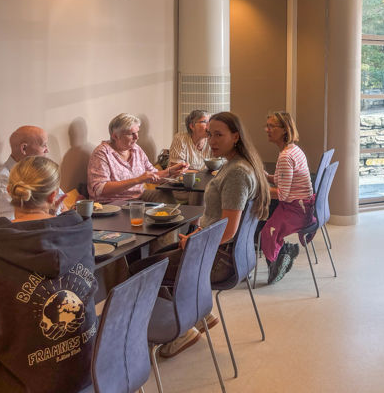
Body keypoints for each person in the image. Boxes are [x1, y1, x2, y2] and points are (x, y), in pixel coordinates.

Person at [0, 156, 96, 393]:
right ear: (53, 196)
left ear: (9, 191)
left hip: (18, 383)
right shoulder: (80, 233)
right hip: (85, 371)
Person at [129, 111, 270, 358]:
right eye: (209, 134)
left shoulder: (237, 173)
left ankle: (182, 331)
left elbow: (227, 230)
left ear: (235, 136)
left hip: (218, 259)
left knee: (140, 271)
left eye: (219, 135)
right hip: (225, 254)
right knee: (156, 257)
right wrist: (196, 237)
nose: (212, 141)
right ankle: (198, 312)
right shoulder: (238, 166)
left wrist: (194, 240)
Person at [260, 112, 315, 285]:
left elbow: (282, 194)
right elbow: (284, 180)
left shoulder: (285, 156)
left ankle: (279, 262)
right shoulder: (293, 150)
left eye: (271, 126)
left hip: (296, 210)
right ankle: (285, 250)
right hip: (304, 205)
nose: (267, 129)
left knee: (265, 231)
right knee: (265, 218)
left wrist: (259, 189)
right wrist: (267, 176)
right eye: (266, 125)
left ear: (284, 130)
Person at [87, 113, 186, 204]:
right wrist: (138, 180)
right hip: (113, 202)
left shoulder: (136, 149)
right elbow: (100, 189)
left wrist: (170, 172)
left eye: (137, 132)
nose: (136, 137)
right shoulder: (102, 153)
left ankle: (174, 223)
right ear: (115, 136)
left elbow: (152, 176)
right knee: (143, 211)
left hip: (138, 196)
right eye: (131, 134)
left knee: (164, 195)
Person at [0, 125, 64, 220]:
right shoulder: (1, 180)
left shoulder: (41, 171)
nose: (47, 150)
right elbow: (7, 228)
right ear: (24, 149)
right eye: (43, 145)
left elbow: (62, 204)